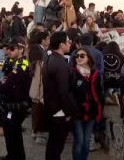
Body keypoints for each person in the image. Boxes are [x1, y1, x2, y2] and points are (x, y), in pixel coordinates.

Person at [0, 37, 31, 160]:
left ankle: (16, 157)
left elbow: (4, 85)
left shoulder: (21, 64)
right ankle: (12, 155)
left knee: (13, 135)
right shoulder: (13, 62)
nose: (8, 51)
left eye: (12, 48)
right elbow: (1, 70)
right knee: (11, 135)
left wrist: (0, 83)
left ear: (21, 49)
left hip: (15, 105)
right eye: (7, 48)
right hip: (10, 103)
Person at [43, 31, 76, 160]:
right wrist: (68, 112)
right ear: (62, 44)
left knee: (53, 145)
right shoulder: (60, 63)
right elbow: (63, 91)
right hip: (59, 111)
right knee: (56, 146)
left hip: (52, 107)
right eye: (68, 41)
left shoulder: (51, 58)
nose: (70, 44)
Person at [71, 48, 103, 160]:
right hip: (77, 112)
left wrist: (100, 112)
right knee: (79, 139)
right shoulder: (72, 73)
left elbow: (99, 94)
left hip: (92, 112)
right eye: (77, 56)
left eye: (82, 56)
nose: (78, 58)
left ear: (88, 57)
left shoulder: (95, 73)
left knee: (86, 141)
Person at [29, 31, 50, 145]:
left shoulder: (41, 50)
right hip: (39, 85)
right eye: (47, 39)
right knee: (38, 111)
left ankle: (36, 131)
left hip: (38, 85)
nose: (49, 41)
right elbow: (37, 69)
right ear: (43, 40)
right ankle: (37, 133)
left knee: (37, 111)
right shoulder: (38, 50)